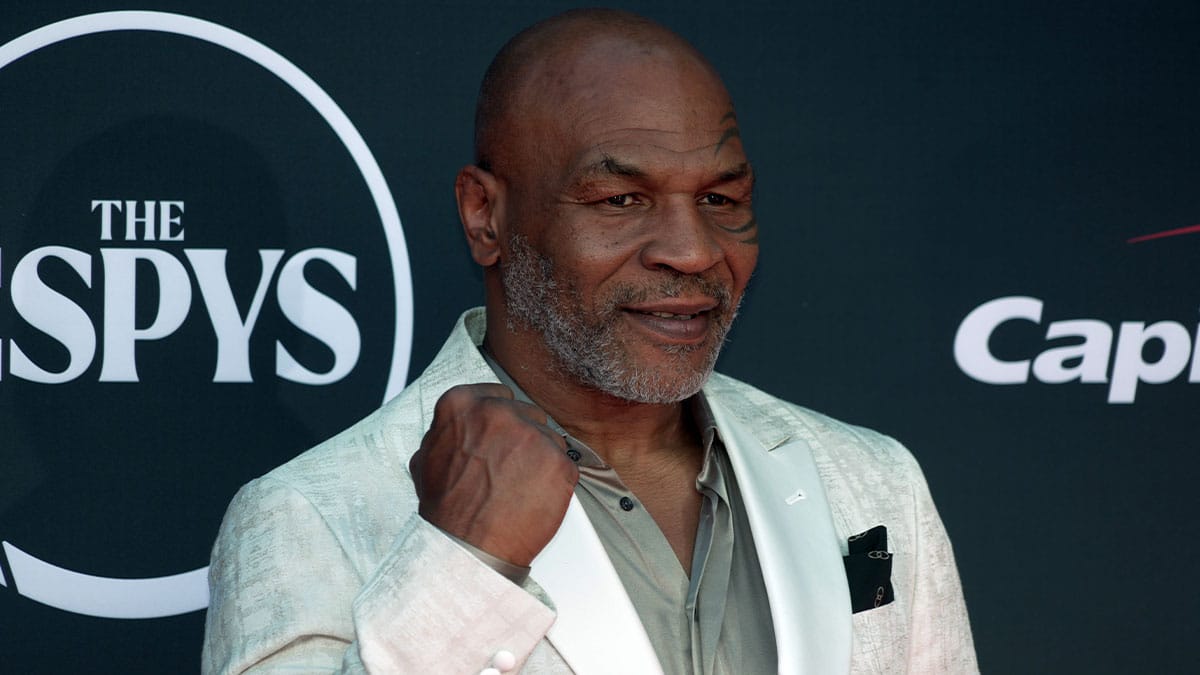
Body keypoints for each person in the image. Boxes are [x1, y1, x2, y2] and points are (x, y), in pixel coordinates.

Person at [202, 8, 976, 674]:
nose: (694, 248)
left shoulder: (872, 488)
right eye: (620, 198)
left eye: (719, 197)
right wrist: (462, 566)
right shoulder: (311, 515)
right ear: (485, 216)